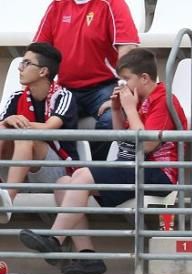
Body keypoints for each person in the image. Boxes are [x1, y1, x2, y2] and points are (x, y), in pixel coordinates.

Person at [18, 48, 187, 274]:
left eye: (127, 79)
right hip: (130, 169)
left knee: (83, 176)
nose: (123, 85)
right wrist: (119, 110)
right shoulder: (138, 100)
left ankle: (55, 238)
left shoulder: (163, 99)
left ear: (145, 78)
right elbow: (123, 138)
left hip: (157, 173)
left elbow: (146, 145)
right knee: (64, 182)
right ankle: (88, 257)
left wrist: (128, 107)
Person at [34, 0, 140, 161]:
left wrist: (123, 91)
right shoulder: (57, 5)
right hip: (65, 89)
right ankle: (70, 171)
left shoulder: (113, 3)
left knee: (110, 120)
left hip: (104, 87)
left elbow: (128, 50)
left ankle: (95, 174)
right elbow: (38, 52)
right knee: (33, 116)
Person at [0, 43, 78, 224]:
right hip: (20, 171)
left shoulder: (64, 96)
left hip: (56, 172)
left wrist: (19, 123)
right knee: (4, 129)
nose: (20, 68)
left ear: (43, 71)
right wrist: (7, 121)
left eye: (26, 63)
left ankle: (7, 202)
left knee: (24, 135)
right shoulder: (17, 96)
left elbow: (50, 127)